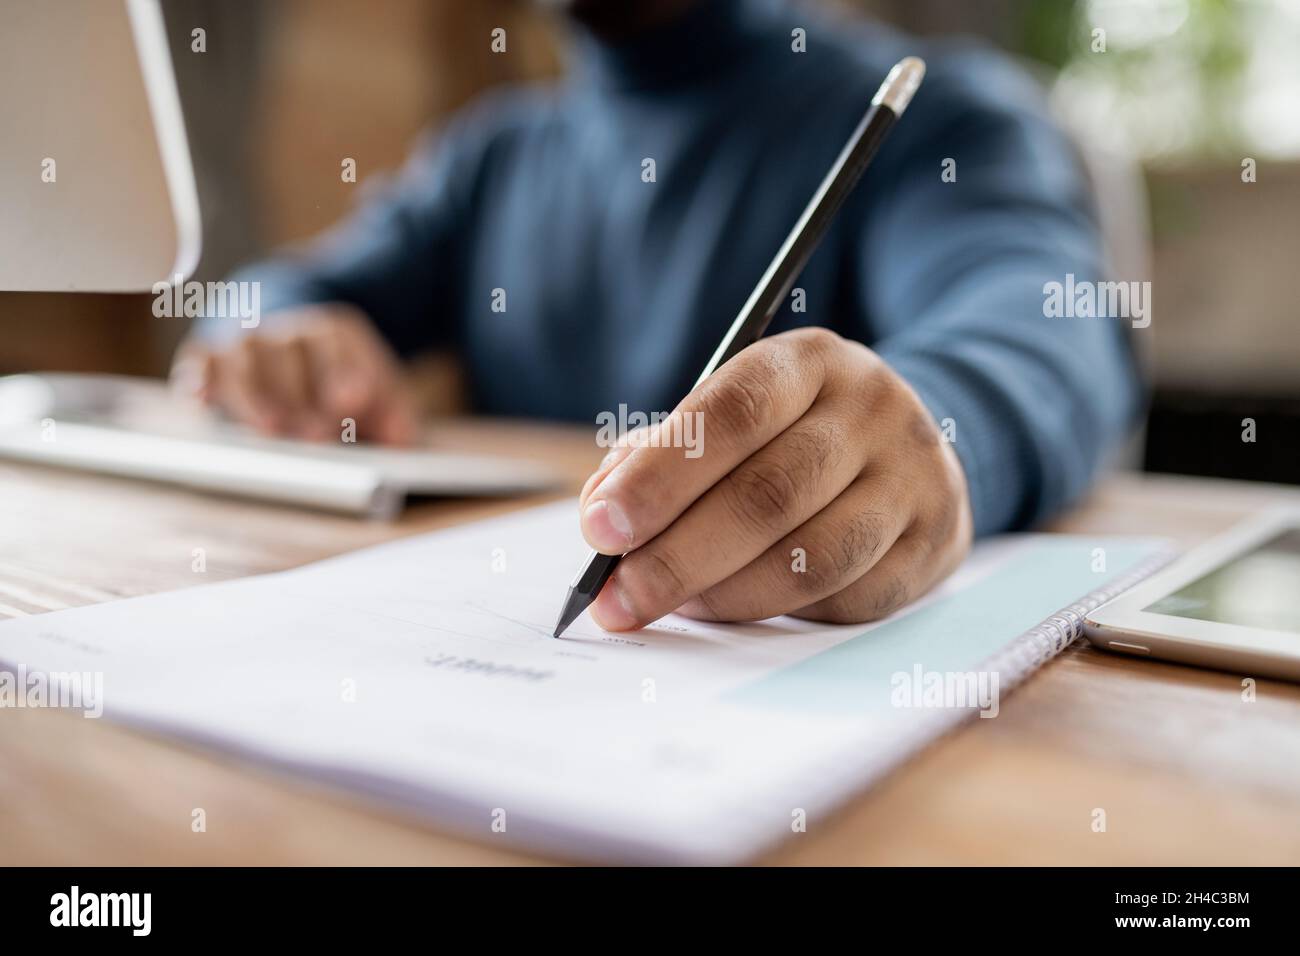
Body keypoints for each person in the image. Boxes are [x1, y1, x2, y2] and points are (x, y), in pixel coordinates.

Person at [173, 0, 1142, 632]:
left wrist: (934, 429)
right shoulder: (492, 158)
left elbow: (1045, 327)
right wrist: (272, 336)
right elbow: (277, 289)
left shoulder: (938, 116)